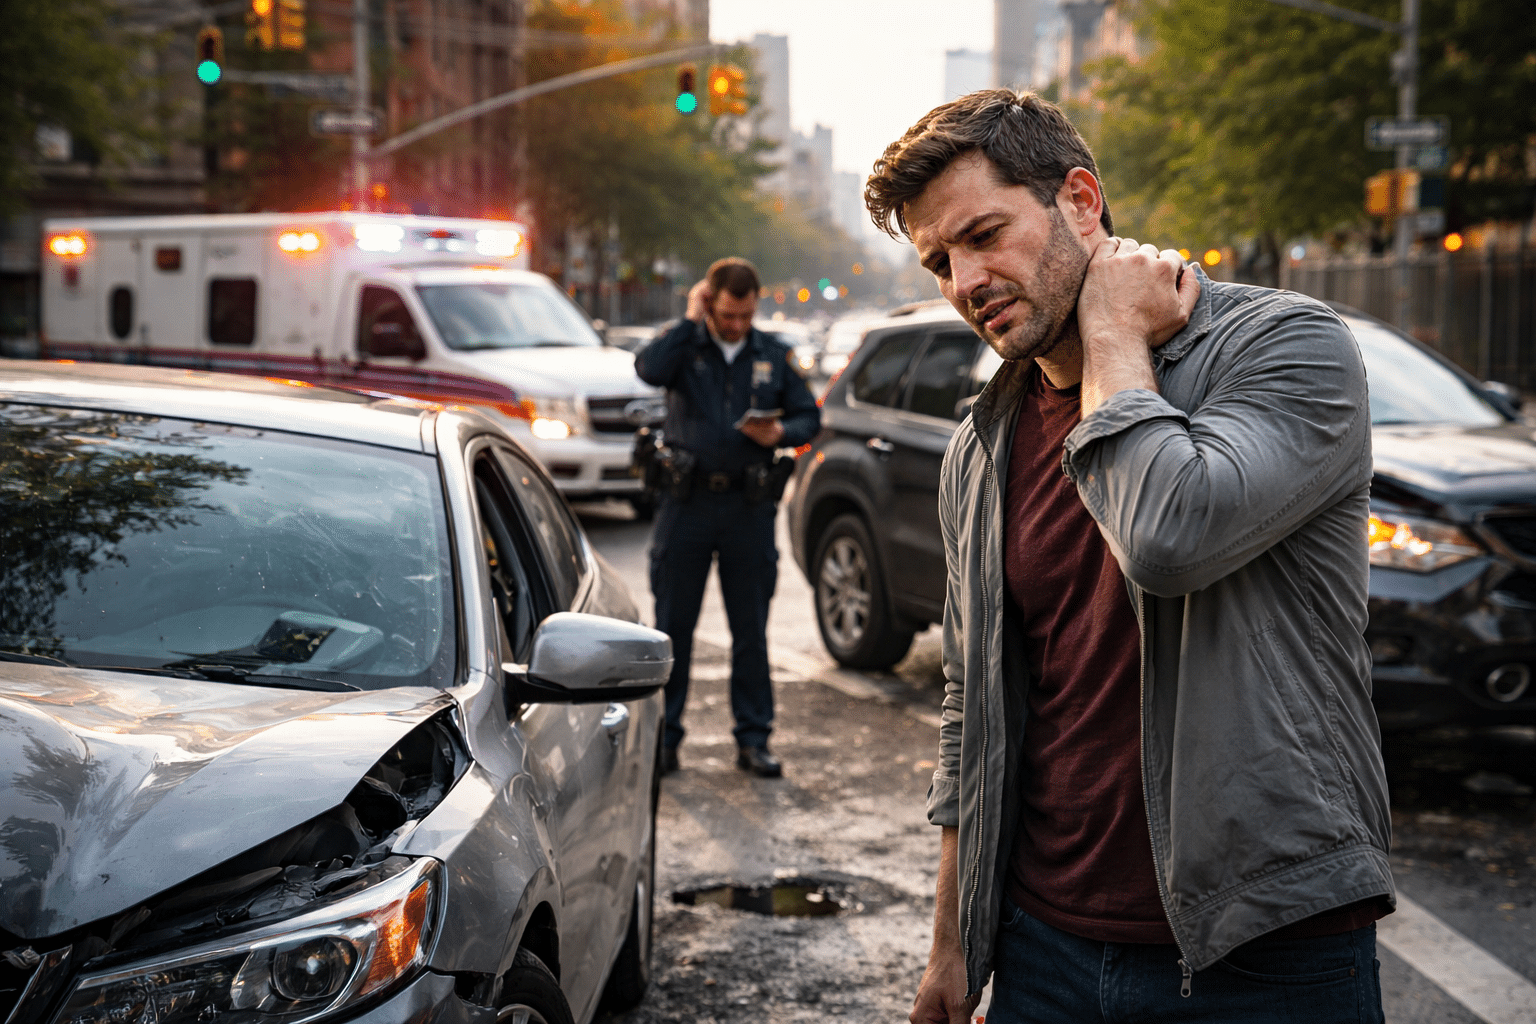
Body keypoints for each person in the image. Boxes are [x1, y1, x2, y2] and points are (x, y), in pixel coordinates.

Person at [863, 90, 1394, 1023]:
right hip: (1044, 951)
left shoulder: (1285, 347)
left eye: (986, 233)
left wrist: (1111, 330)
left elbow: (1168, 537)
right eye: (940, 260)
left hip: (1266, 951)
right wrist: (955, 943)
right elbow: (972, 705)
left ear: (1080, 198)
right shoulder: (979, 447)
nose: (965, 279)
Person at [634, 257, 821, 778]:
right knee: (674, 626)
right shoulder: (685, 346)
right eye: (725, 315)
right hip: (685, 504)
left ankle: (754, 738)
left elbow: (811, 416)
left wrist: (780, 434)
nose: (735, 325)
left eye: (744, 315)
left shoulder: (773, 354)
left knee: (750, 631)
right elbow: (647, 369)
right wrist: (692, 322)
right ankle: (664, 739)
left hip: (749, 507)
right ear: (708, 302)